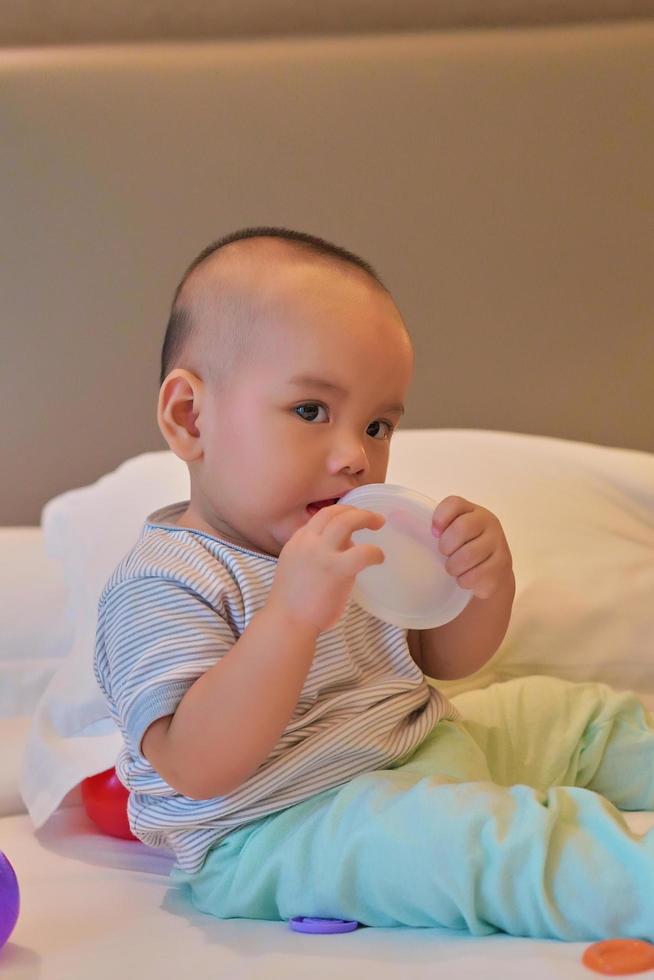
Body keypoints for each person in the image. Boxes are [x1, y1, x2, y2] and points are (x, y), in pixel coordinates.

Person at [94, 227, 654, 940]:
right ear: (190, 416)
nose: (356, 456)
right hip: (285, 826)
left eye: (379, 424)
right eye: (310, 411)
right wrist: (292, 615)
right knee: (486, 844)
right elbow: (199, 766)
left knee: (577, 718)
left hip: (416, 746)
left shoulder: (350, 538)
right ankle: (633, 885)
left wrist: (480, 587)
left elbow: (439, 662)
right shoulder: (164, 582)